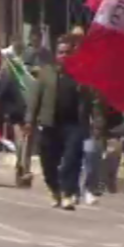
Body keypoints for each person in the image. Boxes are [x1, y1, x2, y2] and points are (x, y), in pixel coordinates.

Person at [25, 35, 92, 210]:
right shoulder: (46, 72)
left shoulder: (81, 73)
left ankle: (68, 193)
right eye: (61, 52)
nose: (64, 56)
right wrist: (29, 121)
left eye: (68, 52)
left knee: (71, 159)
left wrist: (94, 124)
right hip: (49, 123)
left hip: (73, 124)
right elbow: (35, 98)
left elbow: (91, 101)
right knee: (48, 162)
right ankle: (54, 189)